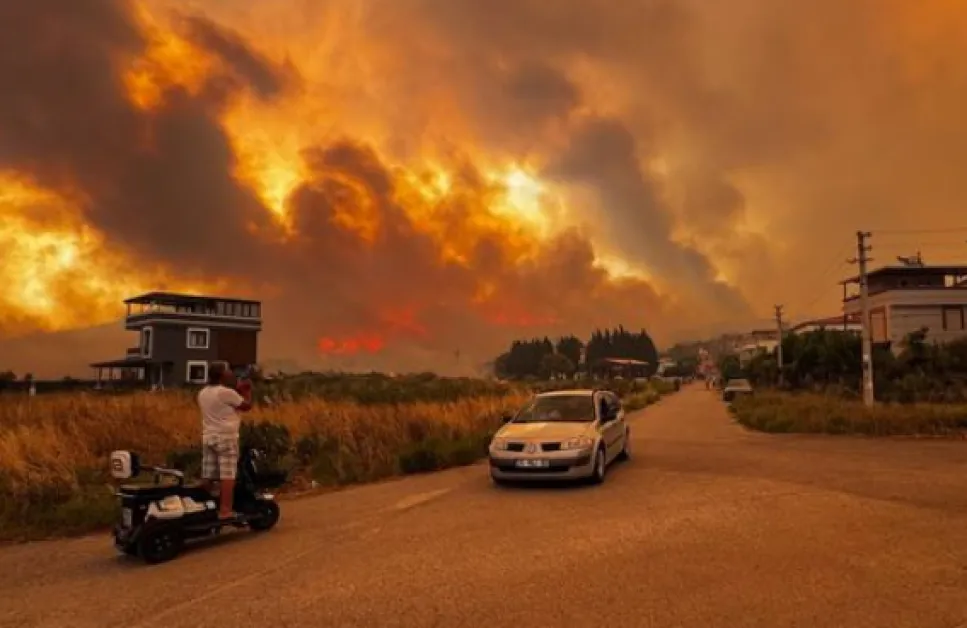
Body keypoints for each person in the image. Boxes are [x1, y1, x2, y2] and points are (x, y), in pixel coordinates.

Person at [197, 361, 252, 520]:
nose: (230, 372)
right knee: (227, 475)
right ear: (222, 374)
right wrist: (247, 391)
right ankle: (225, 510)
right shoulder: (226, 393)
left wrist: (237, 390)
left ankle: (204, 506)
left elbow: (223, 403)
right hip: (226, 437)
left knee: (208, 475)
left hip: (208, 436)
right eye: (228, 370)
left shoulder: (203, 392)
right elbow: (246, 406)